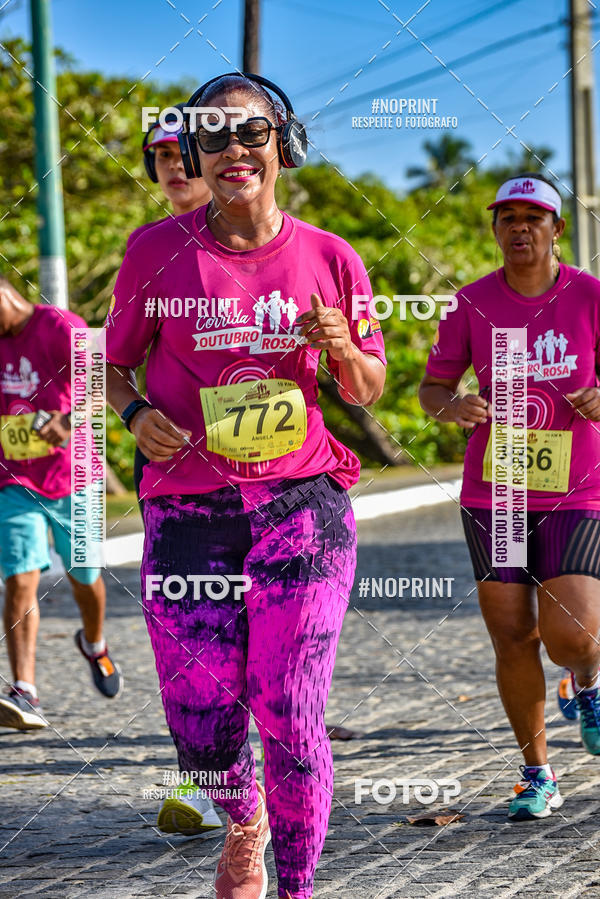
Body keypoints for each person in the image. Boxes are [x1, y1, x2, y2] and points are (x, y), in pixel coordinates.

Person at [105, 73, 385, 899]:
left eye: (252, 134)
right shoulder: (155, 253)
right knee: (199, 721)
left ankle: (295, 884)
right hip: (189, 508)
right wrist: (133, 415)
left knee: (290, 708)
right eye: (215, 137)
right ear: (194, 153)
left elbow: (366, 387)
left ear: (283, 145)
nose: (235, 150)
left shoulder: (332, 256)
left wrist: (341, 346)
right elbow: (114, 365)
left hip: (303, 503)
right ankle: (243, 816)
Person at [419, 172, 600, 821]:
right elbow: (432, 387)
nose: (519, 228)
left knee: (573, 634)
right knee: (512, 634)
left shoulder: (590, 296)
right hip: (496, 492)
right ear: (495, 229)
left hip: (576, 488)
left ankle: (587, 681)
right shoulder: (471, 302)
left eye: (533, 217)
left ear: (556, 228)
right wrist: (452, 405)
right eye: (507, 218)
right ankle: (537, 773)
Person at [0, 277, 121, 730]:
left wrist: (69, 420)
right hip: (13, 480)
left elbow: (106, 379)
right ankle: (25, 691)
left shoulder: (62, 325)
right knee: (20, 579)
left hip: (78, 477)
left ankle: (94, 643)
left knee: (85, 578)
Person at [131, 105, 212, 519]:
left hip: (264, 451)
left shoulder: (255, 234)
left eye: (185, 152)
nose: (175, 165)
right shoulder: (144, 243)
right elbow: (118, 349)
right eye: (163, 155)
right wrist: (135, 413)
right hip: (169, 444)